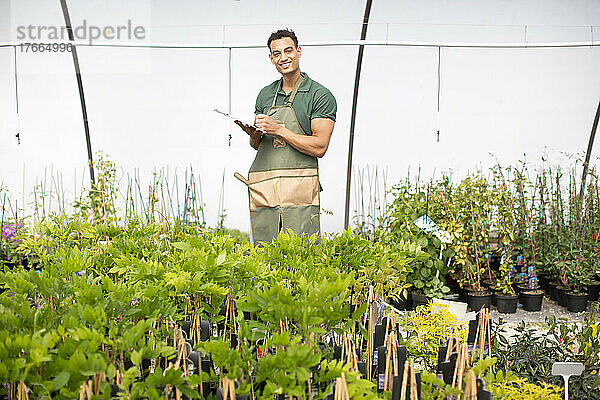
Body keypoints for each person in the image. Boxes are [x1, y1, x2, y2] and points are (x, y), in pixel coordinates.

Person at [235, 28, 337, 244]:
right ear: (271, 58)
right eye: (277, 53)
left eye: (288, 51)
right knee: (263, 254)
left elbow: (320, 147)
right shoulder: (265, 94)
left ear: (299, 51)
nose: (283, 58)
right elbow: (258, 145)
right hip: (265, 187)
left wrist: (279, 129)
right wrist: (253, 136)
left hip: (298, 189)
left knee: (302, 255)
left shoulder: (319, 95)